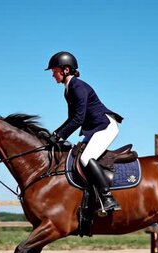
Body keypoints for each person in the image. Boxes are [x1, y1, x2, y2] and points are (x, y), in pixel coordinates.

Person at [45, 51, 123, 214]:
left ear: (65, 70)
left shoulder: (77, 87)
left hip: (105, 126)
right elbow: (71, 118)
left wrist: (60, 136)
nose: (52, 75)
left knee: (87, 158)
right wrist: (56, 134)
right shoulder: (68, 89)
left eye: (54, 71)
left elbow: (78, 119)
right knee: (76, 156)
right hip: (94, 128)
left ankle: (108, 198)